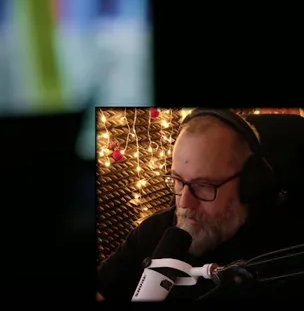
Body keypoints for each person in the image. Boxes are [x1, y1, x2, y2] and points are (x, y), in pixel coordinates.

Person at [97, 109, 303, 300]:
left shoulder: (288, 249)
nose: (184, 202)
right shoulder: (152, 232)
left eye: (203, 185)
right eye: (178, 181)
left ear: (249, 183)